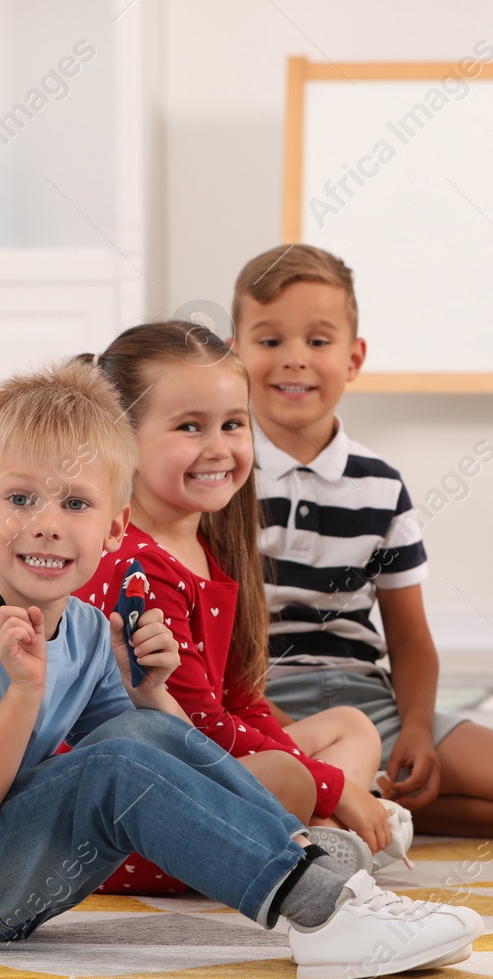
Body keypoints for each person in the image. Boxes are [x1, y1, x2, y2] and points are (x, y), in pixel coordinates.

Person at [0, 360, 481, 978]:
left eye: (75, 504)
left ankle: (318, 878)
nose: (46, 525)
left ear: (115, 526)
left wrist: (151, 695)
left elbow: (159, 760)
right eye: (19, 498)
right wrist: (25, 692)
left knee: (140, 736)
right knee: (118, 767)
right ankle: (324, 915)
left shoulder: (89, 630)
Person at [231, 243, 493, 842]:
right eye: (270, 340)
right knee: (276, 799)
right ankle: (360, 800)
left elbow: (410, 637)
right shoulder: (221, 480)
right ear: (236, 355)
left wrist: (413, 729)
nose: (294, 361)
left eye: (318, 340)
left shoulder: (381, 485)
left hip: (369, 704)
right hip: (261, 707)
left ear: (354, 358)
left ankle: (374, 800)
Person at [75, 322, 407, 881]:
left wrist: (327, 783)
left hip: (190, 768)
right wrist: (328, 785)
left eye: (233, 424)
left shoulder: (205, 546)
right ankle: (314, 833)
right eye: (189, 427)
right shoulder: (137, 566)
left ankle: (320, 832)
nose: (218, 448)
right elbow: (197, 729)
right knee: (290, 777)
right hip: (136, 815)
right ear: (121, 441)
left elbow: (240, 702)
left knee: (352, 727)